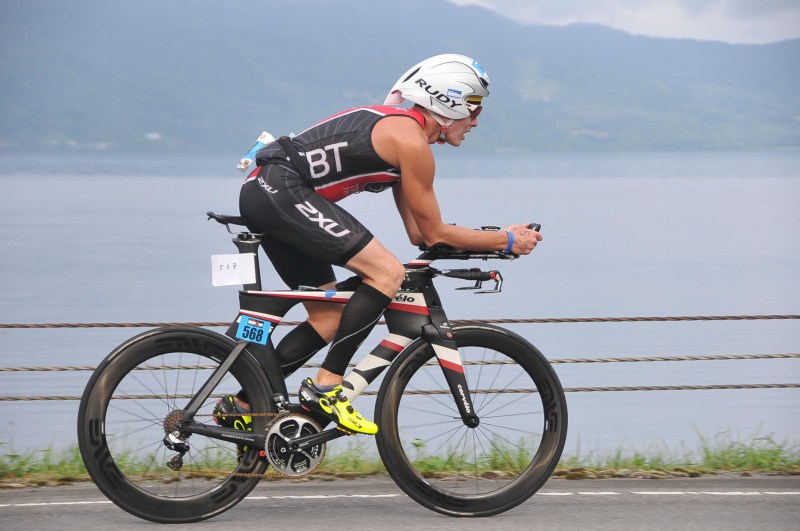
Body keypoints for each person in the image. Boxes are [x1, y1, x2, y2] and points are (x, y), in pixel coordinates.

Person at [214, 54, 542, 436]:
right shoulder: (409, 140)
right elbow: (435, 234)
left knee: (329, 318)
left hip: (268, 191)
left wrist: (494, 241)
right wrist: (505, 239)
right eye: (473, 107)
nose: (476, 121)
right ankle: (326, 387)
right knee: (387, 272)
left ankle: (244, 404)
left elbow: (420, 235)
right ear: (447, 101)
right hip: (279, 191)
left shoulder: (405, 133)